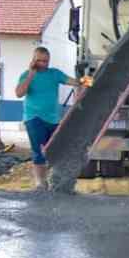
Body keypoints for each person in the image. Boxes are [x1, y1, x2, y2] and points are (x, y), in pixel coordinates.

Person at [15, 46, 83, 189]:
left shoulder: (54, 74)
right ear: (33, 60)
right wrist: (30, 76)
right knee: (39, 150)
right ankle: (40, 183)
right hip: (34, 118)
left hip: (53, 119)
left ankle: (55, 180)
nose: (43, 64)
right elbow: (19, 93)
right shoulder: (26, 75)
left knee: (56, 150)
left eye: (46, 61)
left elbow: (76, 82)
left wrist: (93, 80)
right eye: (39, 61)